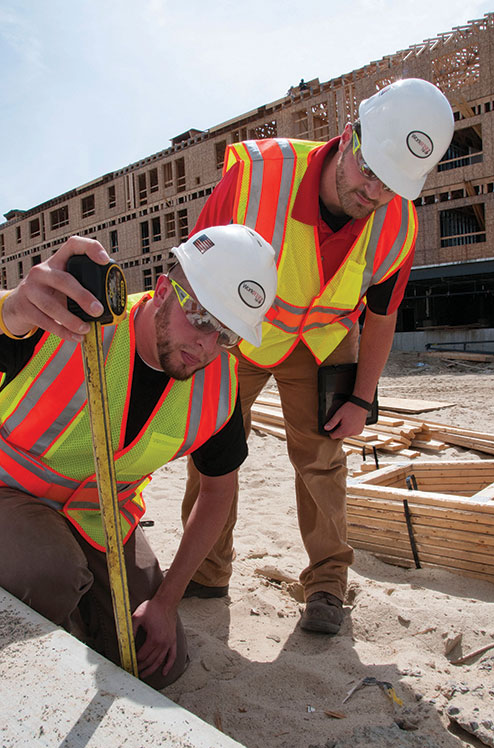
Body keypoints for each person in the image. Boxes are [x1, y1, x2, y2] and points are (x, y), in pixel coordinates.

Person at [181, 78, 455, 634]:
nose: (374, 193)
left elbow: (381, 316)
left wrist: (361, 397)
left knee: (323, 460)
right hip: (247, 336)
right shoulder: (259, 177)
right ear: (349, 136)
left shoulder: (398, 223)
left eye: (390, 184)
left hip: (325, 341)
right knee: (214, 450)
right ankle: (206, 572)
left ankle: (328, 584)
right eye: (369, 171)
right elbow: (198, 270)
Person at [0, 224, 277, 688]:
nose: (206, 347)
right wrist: (11, 308)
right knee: (50, 573)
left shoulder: (220, 388)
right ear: (165, 290)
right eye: (203, 318)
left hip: (99, 516)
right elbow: (12, 319)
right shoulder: (72, 319)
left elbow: (217, 491)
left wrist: (167, 601)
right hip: (9, 491)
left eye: (226, 334)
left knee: (159, 661)